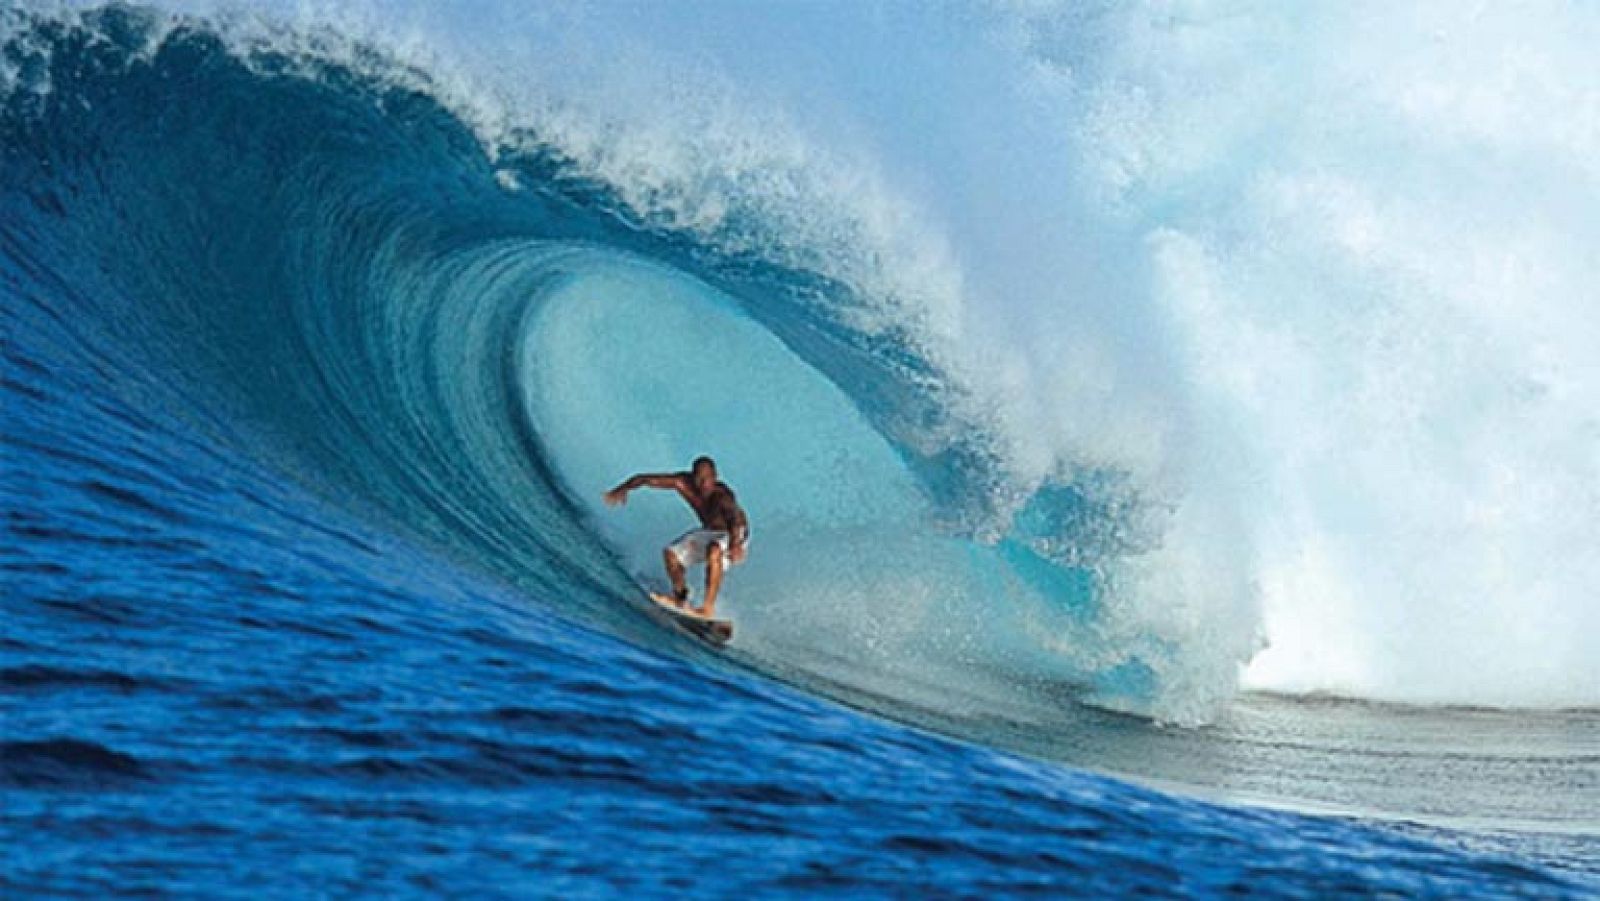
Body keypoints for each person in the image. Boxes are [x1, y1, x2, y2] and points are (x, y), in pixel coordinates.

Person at [603, 456, 749, 618]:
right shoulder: (683, 482)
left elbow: (735, 520)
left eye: (707, 479)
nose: (702, 484)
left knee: (714, 550)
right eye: (699, 478)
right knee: (671, 554)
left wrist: (736, 544)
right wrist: (623, 488)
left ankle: (707, 608)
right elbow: (645, 479)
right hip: (711, 531)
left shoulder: (723, 496)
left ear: (715, 477)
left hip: (734, 533)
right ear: (692, 476)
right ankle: (680, 597)